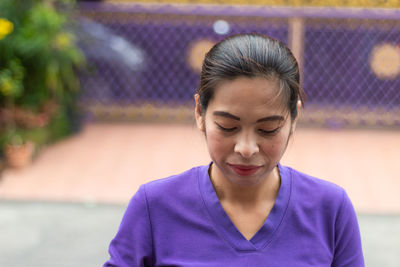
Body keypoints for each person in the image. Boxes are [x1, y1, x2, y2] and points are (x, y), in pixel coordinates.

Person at [104, 33, 364, 267]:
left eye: (268, 129)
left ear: (294, 118)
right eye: (227, 126)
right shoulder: (154, 207)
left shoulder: (330, 210)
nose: (246, 148)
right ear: (199, 112)